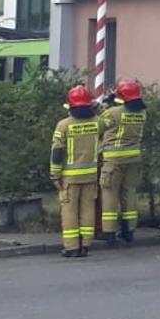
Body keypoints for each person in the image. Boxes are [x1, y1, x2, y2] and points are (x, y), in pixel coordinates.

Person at [50, 85, 102, 258]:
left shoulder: (63, 125)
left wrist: (55, 174)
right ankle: (86, 245)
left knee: (69, 211)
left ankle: (72, 247)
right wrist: (97, 107)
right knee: (88, 209)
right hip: (91, 175)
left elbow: (57, 152)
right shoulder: (96, 122)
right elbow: (107, 123)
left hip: (70, 177)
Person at [96, 79, 148, 244]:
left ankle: (109, 232)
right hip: (134, 159)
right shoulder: (142, 113)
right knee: (129, 194)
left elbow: (97, 127)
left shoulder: (112, 113)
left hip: (113, 160)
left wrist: (106, 104)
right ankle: (129, 230)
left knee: (110, 194)